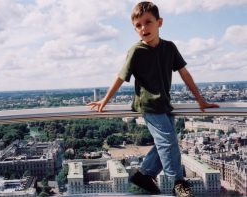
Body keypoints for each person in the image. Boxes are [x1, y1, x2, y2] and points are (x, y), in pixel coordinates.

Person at [88, 1, 219, 197]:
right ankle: (178, 183)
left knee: (165, 142)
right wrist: (104, 101)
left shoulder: (170, 48)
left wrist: (200, 100)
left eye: (148, 22)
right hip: (148, 105)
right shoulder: (136, 51)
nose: (143, 28)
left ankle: (144, 174)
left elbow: (185, 74)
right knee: (168, 142)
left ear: (160, 22)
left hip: (165, 104)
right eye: (138, 26)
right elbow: (120, 77)